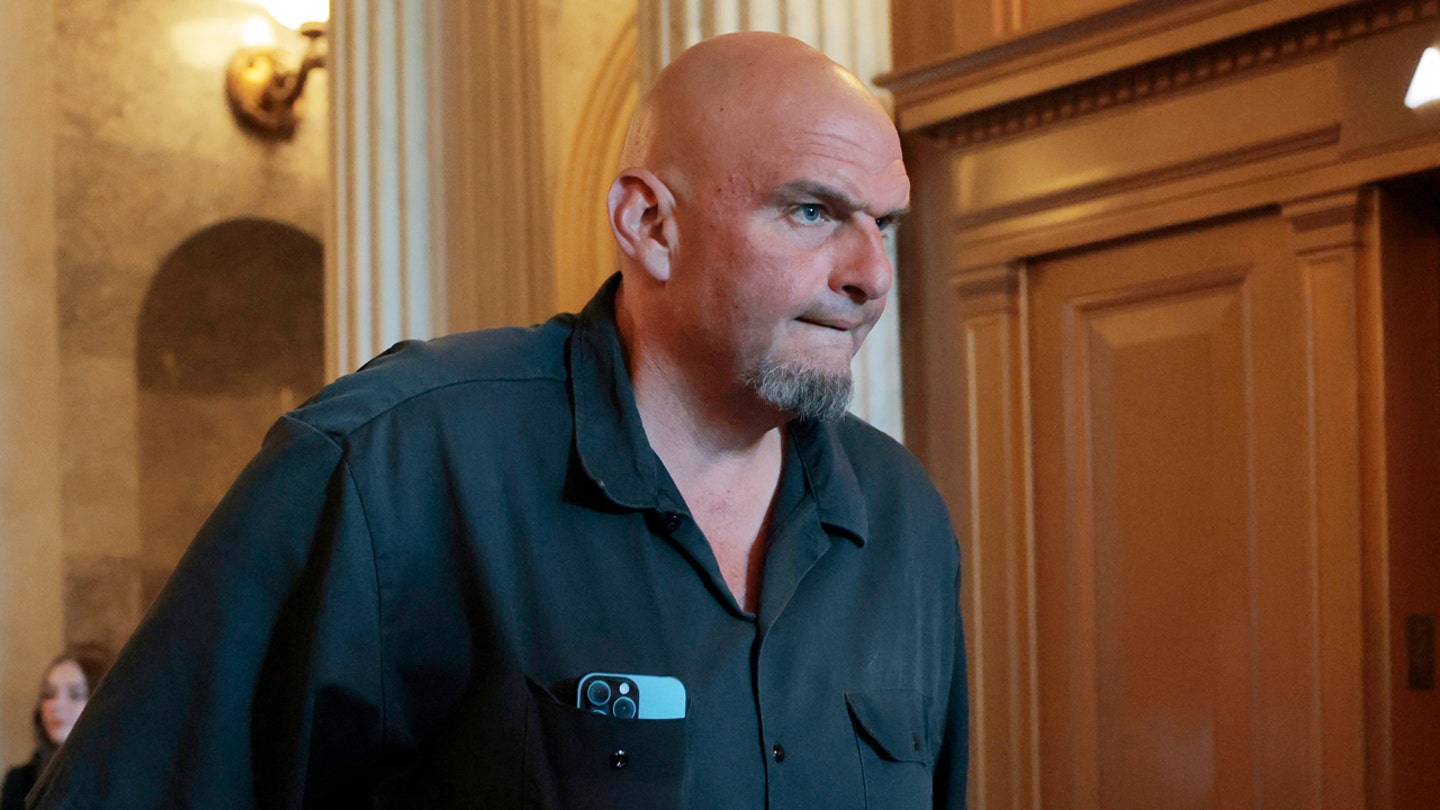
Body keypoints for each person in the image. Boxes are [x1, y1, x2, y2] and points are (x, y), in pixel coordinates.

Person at [32, 32, 968, 808]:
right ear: (650, 225)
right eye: (812, 211)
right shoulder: (391, 466)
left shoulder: (905, 520)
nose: (871, 276)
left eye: (883, 224)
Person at [2, 646, 111, 810]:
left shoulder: (124, 778)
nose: (56, 705)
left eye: (75, 695)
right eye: (49, 694)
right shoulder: (21, 781)